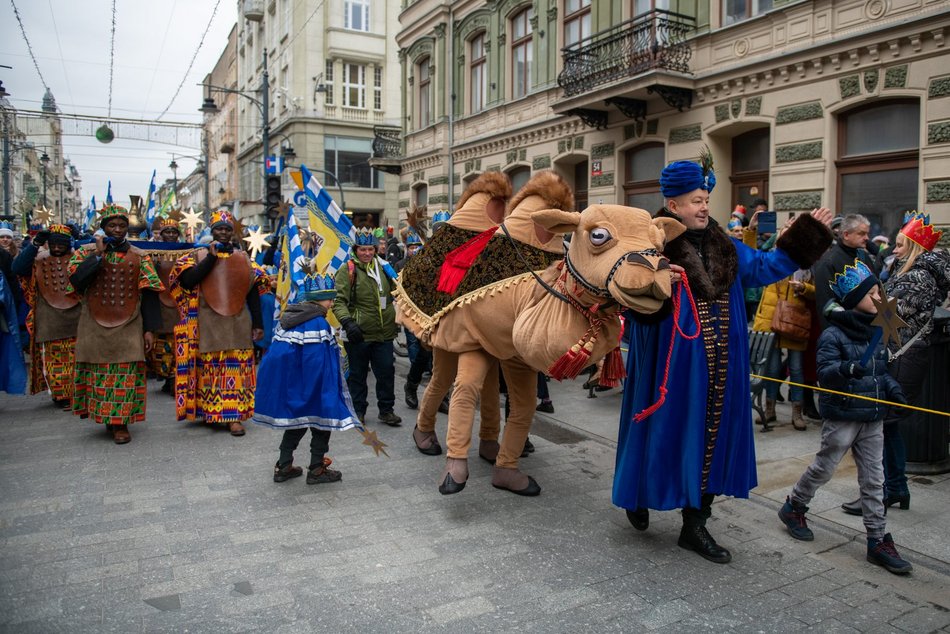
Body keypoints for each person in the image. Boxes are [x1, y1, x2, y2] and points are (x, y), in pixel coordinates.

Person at [613, 155, 833, 564]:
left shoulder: (726, 247)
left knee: (711, 441)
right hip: (670, 365)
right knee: (661, 434)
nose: (704, 207)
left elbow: (768, 266)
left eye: (706, 198)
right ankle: (639, 493)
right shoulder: (650, 246)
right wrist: (654, 282)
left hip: (721, 366)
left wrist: (807, 235)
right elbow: (627, 301)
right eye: (696, 200)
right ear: (674, 205)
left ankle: (695, 524)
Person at [777, 259, 911, 575]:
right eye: (872, 293)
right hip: (843, 414)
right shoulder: (834, 335)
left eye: (880, 290)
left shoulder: (878, 331)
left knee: (874, 478)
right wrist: (846, 369)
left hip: (873, 416)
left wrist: (893, 390)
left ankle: (877, 540)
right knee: (824, 467)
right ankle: (794, 505)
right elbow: (824, 374)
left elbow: (880, 371)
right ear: (854, 301)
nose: (880, 296)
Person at [841, 213, 948, 516]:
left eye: (900, 245)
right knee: (887, 428)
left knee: (880, 426)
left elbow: (888, 315)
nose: (894, 250)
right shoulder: (907, 270)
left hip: (905, 358)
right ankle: (895, 488)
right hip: (902, 355)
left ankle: (882, 491)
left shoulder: (918, 276)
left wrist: (856, 297)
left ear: (913, 247)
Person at [66, 205, 164, 444]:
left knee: (125, 374)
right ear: (103, 228)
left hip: (129, 322)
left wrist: (149, 329)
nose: (118, 230)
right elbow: (77, 281)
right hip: (95, 323)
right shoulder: (84, 253)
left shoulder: (140, 255)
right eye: (112, 226)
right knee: (100, 374)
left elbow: (150, 294)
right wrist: (98, 256)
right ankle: (107, 418)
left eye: (122, 225)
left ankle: (121, 423)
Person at [169, 210, 267, 437]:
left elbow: (252, 293)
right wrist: (211, 258)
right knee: (211, 371)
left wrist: (258, 323)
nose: (223, 233)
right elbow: (188, 280)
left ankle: (234, 418)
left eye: (227, 229)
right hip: (208, 323)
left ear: (233, 233)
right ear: (211, 231)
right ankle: (213, 413)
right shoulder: (196, 255)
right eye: (219, 229)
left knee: (236, 371)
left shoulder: (244, 258)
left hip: (238, 322)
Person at [252, 268, 354, 485]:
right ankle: (317, 469)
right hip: (314, 386)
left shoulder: (292, 316)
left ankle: (283, 465)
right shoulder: (317, 322)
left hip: (294, 385)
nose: (332, 304)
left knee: (296, 423)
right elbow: (317, 361)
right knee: (321, 424)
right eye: (329, 299)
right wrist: (325, 390)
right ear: (319, 300)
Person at [332, 227, 401, 427]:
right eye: (363, 250)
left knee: (386, 372)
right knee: (358, 375)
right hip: (358, 334)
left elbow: (398, 291)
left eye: (370, 249)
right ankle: (358, 411)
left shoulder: (384, 267)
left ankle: (386, 411)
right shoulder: (348, 269)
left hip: (384, 332)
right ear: (356, 250)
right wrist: (348, 322)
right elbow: (338, 301)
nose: (367, 253)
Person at [12, 224, 81, 408]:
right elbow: (17, 267)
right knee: (54, 359)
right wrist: (35, 244)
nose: (57, 248)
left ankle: (75, 393)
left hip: (76, 316)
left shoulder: (77, 258)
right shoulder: (38, 259)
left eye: (61, 245)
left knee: (76, 358)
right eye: (54, 244)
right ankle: (61, 395)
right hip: (49, 318)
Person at [750, 268, 815, 430]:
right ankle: (769, 409)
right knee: (771, 370)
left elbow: (815, 293)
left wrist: (804, 288)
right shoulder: (773, 262)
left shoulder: (805, 266)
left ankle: (797, 412)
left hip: (794, 321)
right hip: (771, 320)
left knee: (796, 369)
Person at [146, 215, 187, 394]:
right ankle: (167, 376)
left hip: (179, 302)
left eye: (173, 232)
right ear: (161, 234)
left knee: (179, 341)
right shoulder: (153, 254)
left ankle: (174, 377)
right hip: (160, 302)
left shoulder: (186, 253)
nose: (170, 234)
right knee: (161, 344)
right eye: (167, 232)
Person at [813, 214, 874, 327]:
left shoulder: (864, 257)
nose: (867, 238)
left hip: (869, 327)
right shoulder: (828, 262)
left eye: (867, 233)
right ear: (846, 235)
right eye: (861, 233)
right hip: (843, 331)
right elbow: (826, 304)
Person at [395, 228, 429, 409]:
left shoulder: (430, 260)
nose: (414, 250)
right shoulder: (401, 265)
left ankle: (442, 397)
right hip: (411, 312)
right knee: (421, 350)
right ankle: (412, 384)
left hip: (434, 311)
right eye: (411, 247)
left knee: (440, 358)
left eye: (417, 246)